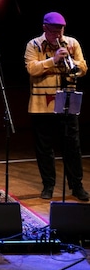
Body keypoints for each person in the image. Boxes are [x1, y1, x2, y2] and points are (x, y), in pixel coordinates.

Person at [24, 12, 89, 201]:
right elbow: (32, 69)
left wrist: (71, 60)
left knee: (73, 146)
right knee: (44, 148)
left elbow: (82, 68)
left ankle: (76, 186)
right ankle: (48, 185)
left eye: (61, 31)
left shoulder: (72, 43)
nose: (58, 36)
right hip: (41, 104)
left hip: (67, 102)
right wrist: (54, 60)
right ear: (45, 28)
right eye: (54, 32)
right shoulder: (33, 45)